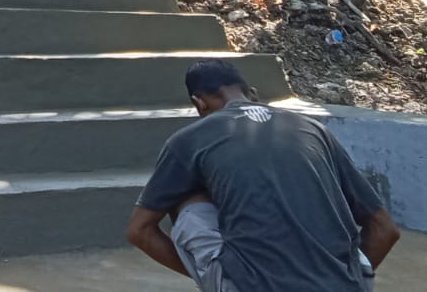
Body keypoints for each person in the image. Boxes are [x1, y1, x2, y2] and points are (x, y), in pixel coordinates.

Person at [127, 59, 400, 292]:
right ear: (253, 94)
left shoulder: (189, 140)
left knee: (187, 199)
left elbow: (140, 231)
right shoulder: (314, 130)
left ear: (199, 103)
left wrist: (208, 277)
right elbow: (385, 230)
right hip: (343, 284)